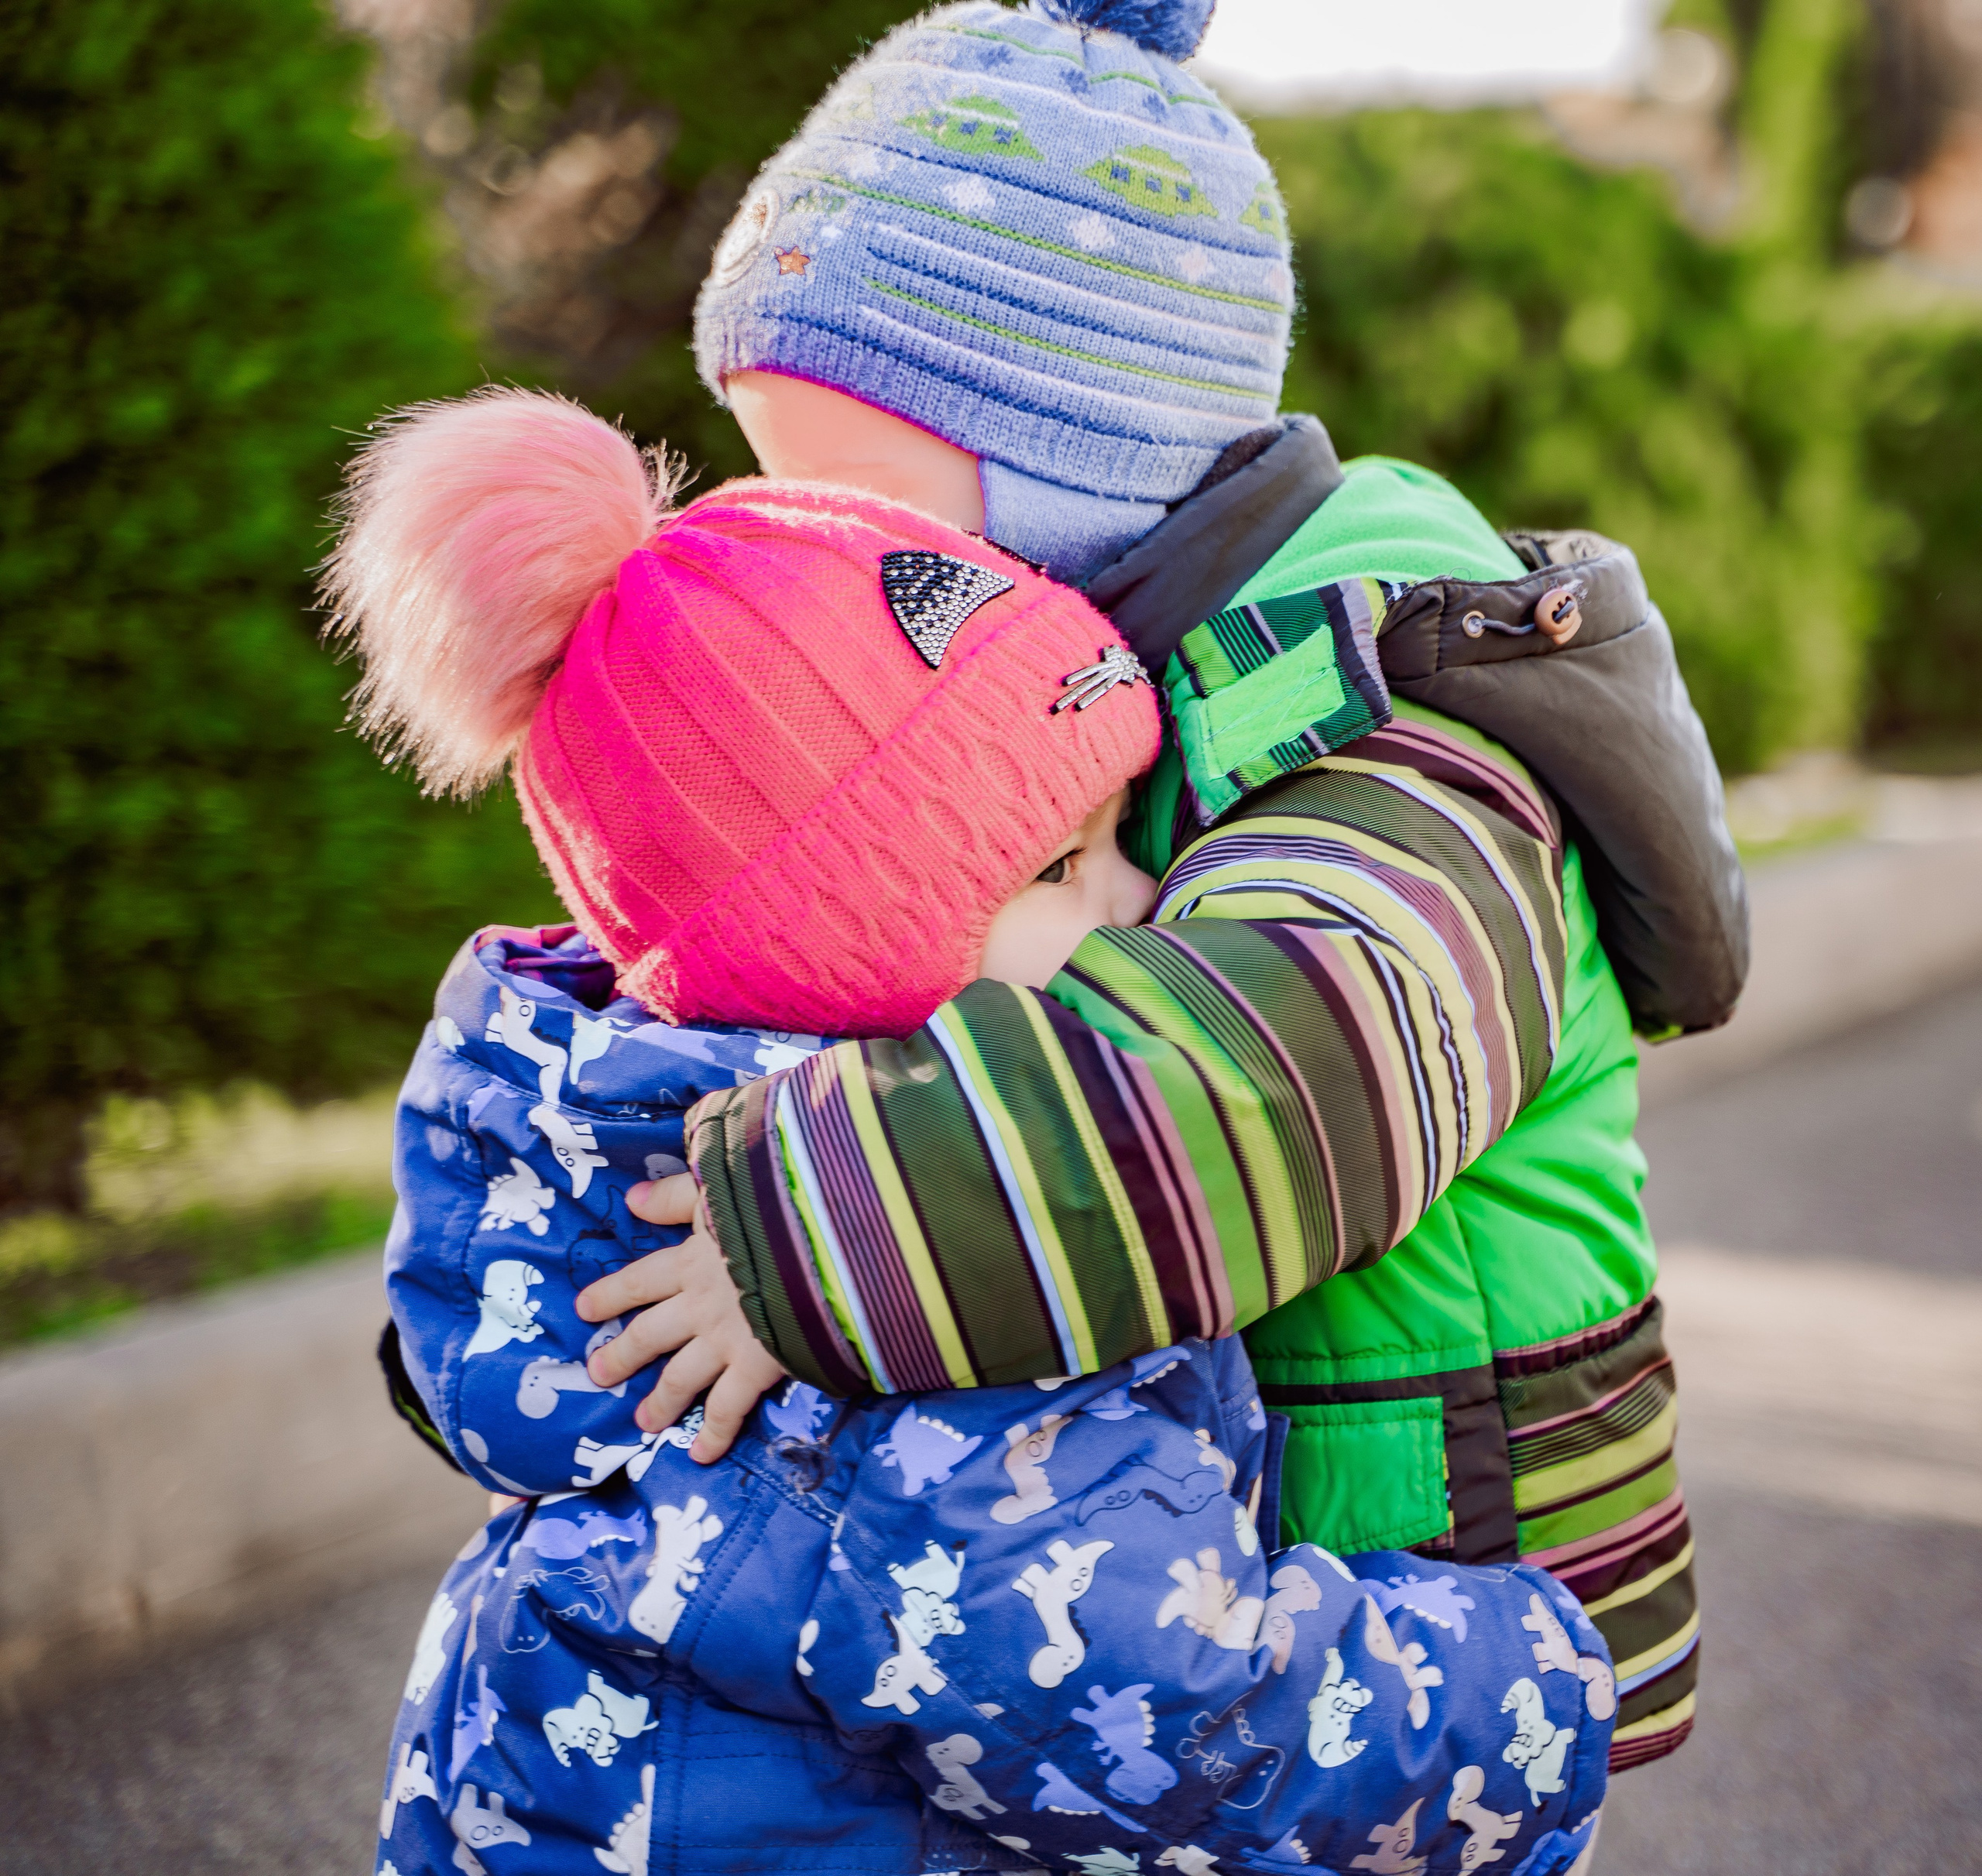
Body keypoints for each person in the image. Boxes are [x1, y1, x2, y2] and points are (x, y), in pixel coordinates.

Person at [574, 0, 1744, 1780]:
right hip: (1219, 1584)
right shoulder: (1116, 681)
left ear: (1072, 459)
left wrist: (815, 1234)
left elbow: (1291, 1069)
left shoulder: (1401, 731)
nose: (808, 551)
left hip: (1434, 1622)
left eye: (851, 500)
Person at [333, 386, 1613, 1876]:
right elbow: (1186, 1731)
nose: (1146, 901)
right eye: (1065, 869)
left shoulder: (593, 1149)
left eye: (1123, 834)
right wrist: (1530, 1680)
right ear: (841, 958)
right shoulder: (908, 1315)